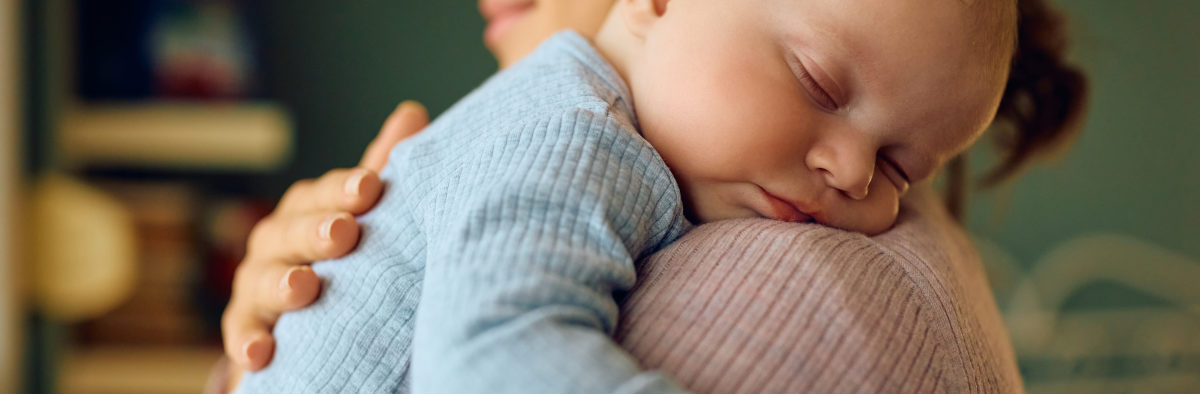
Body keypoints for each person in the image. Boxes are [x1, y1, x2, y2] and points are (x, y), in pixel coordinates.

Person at [217, 0, 1087, 391]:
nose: (856, 176)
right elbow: (489, 359)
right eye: (820, 85)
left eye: (901, 169)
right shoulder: (574, 131)